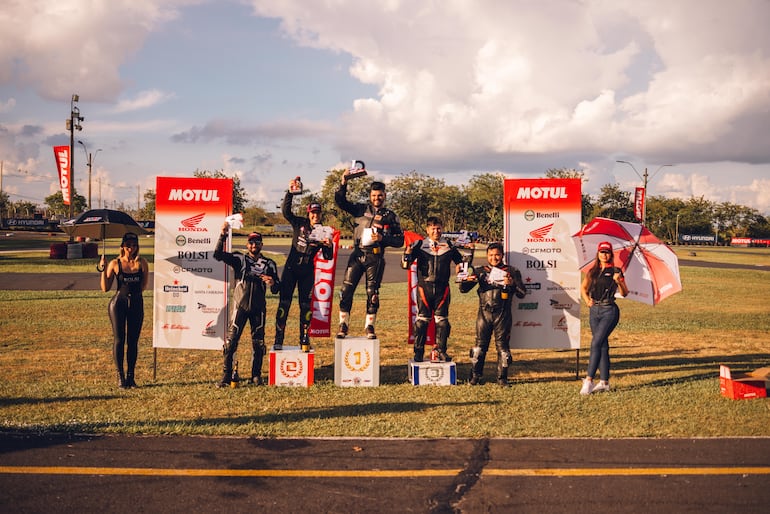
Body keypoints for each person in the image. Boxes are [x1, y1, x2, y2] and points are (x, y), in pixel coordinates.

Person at [335, 177, 404, 339]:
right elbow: (340, 201)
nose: (376, 198)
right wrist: (343, 183)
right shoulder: (360, 209)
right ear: (370, 196)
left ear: (385, 196)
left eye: (379, 195)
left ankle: (369, 326)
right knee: (346, 290)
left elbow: (400, 240)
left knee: (372, 293)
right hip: (357, 254)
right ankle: (343, 324)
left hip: (376, 257)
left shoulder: (391, 216)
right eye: (373, 196)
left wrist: (383, 239)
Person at [213, 225, 280, 387]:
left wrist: (272, 282)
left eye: (257, 242)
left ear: (262, 244)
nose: (254, 245)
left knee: (258, 343)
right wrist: (222, 235)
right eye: (251, 242)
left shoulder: (269, 264)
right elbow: (217, 255)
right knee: (231, 342)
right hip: (239, 307)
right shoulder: (239, 259)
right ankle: (227, 375)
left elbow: (277, 288)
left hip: (258, 308)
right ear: (247, 245)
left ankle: (256, 375)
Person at [274, 186, 334, 352]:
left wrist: (329, 246)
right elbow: (286, 212)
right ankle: (278, 339)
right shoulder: (299, 223)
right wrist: (290, 193)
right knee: (284, 304)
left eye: (318, 213)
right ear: (308, 213)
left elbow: (328, 257)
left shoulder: (323, 231)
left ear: (321, 214)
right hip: (291, 269)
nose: (315, 215)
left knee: (305, 307)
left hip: (307, 272)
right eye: (312, 213)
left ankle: (304, 339)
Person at [459, 242, 526, 386]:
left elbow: (522, 293)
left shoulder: (512, 271)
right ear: (486, 255)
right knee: (478, 348)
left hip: (503, 314)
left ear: (502, 255)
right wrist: (466, 279)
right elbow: (463, 289)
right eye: (490, 255)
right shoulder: (480, 271)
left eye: (497, 255)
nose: (494, 258)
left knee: (503, 350)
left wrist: (511, 283)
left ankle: (502, 379)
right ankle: (475, 377)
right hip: (484, 314)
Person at [401, 216, 464, 362]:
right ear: (427, 229)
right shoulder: (419, 244)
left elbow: (460, 261)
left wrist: (460, 266)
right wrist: (407, 255)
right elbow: (405, 265)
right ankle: (418, 351)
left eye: (438, 228)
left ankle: (441, 350)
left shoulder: (449, 244)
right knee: (422, 321)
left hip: (443, 288)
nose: (436, 231)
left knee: (442, 322)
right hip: (425, 287)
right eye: (433, 228)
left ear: (442, 228)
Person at [100, 232, 149, 389]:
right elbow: (105, 288)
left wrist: (133, 297)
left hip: (136, 303)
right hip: (118, 304)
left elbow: (142, 287)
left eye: (134, 245)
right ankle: (120, 377)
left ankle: (131, 377)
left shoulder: (142, 263)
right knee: (119, 340)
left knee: (133, 342)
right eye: (128, 245)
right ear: (122, 246)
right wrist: (102, 269)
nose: (131, 248)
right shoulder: (115, 263)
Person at [579, 240, 629, 395]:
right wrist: (587, 300)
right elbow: (584, 288)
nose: (604, 255)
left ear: (611, 254)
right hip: (595, 311)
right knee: (602, 346)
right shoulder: (592, 271)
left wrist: (619, 282)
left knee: (595, 343)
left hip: (609, 311)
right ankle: (604, 382)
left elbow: (625, 293)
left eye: (607, 252)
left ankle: (588, 380)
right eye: (602, 252)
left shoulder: (616, 271)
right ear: (598, 254)